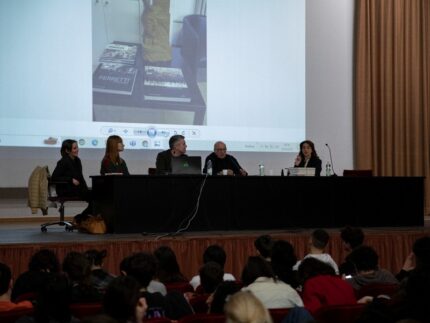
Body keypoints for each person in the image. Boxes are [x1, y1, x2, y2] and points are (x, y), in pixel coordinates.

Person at [51, 139, 92, 224]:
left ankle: (80, 218)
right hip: (66, 189)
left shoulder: (77, 160)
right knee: (95, 198)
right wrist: (70, 179)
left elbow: (80, 177)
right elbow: (54, 178)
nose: (77, 150)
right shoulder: (63, 162)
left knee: (96, 197)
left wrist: (86, 189)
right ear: (67, 150)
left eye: (77, 147)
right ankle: (80, 218)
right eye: (74, 148)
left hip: (77, 189)